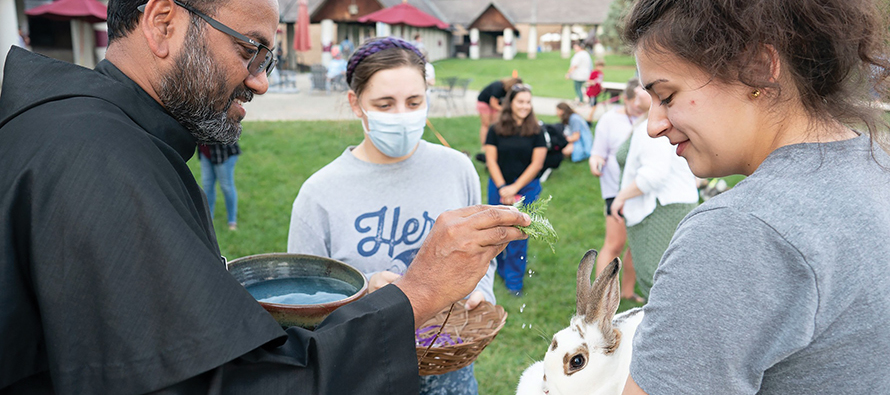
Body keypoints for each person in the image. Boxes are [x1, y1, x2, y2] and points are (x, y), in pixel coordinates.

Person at [0, 0, 531, 393]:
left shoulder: (87, 135)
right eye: (250, 50)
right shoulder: (99, 160)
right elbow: (222, 384)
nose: (260, 83)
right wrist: (416, 294)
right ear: (163, 23)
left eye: (268, 61)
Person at [619, 0, 890, 393]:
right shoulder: (877, 166)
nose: (654, 125)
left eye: (667, 95)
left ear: (759, 68)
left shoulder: (740, 231)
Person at [287, 36, 489, 395]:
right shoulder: (320, 194)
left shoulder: (457, 169)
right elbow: (302, 302)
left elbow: (483, 255)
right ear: (356, 104)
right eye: (384, 104)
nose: (402, 116)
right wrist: (363, 290)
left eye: (414, 102)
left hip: (449, 372)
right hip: (362, 373)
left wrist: (481, 292)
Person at [609, 83, 699, 299]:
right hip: (669, 205)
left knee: (655, 280)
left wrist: (620, 198)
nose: (635, 90)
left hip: (658, 209)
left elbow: (654, 175)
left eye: (644, 88)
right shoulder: (651, 124)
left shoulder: (655, 128)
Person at [484, 83, 547, 297]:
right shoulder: (495, 129)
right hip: (499, 184)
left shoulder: (537, 130)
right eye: (520, 101)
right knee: (496, 230)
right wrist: (503, 187)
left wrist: (514, 188)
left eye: (528, 102)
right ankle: (498, 269)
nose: (525, 106)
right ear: (510, 103)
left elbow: (537, 164)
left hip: (526, 187)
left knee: (519, 232)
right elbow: (490, 160)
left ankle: (514, 280)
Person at [589, 79, 644, 301]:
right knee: (615, 244)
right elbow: (598, 152)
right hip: (615, 189)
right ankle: (598, 298)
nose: (640, 107)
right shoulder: (609, 120)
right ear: (626, 99)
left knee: (636, 246)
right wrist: (595, 162)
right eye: (637, 103)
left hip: (641, 190)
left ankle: (628, 291)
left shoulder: (651, 118)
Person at [198, 142, 241, 230]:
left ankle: (232, 221)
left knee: (227, 187)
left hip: (223, 155)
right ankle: (208, 218)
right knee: (207, 185)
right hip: (205, 153)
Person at [476, 77, 522, 153]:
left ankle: (495, 143)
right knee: (486, 124)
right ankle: (484, 145)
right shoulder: (498, 87)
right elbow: (493, 103)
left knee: (496, 124)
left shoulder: (509, 91)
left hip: (496, 104)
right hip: (484, 103)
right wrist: (505, 110)